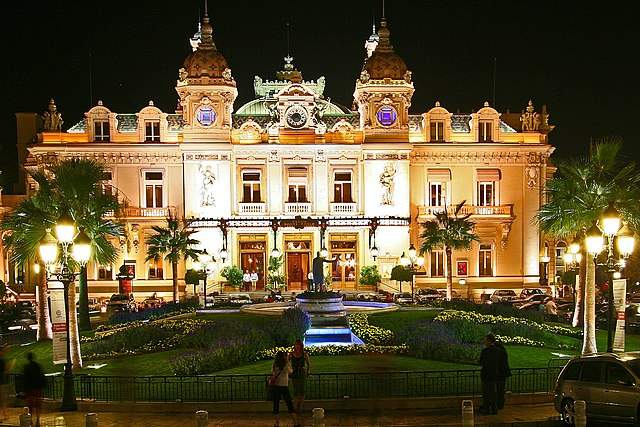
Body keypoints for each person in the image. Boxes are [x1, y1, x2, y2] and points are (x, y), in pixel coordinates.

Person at [270, 351, 299, 427]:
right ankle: (295, 422)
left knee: (276, 405)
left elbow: (272, 373)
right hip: (284, 386)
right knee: (289, 404)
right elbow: (291, 371)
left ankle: (277, 423)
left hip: (276, 386)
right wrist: (288, 361)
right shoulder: (286, 365)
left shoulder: (274, 364)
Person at [478, 333, 500, 415]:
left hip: (486, 375)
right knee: (493, 392)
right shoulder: (497, 351)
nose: (484, 341)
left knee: (486, 393)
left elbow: (481, 362)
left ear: (489, 341)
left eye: (486, 340)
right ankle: (494, 409)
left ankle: (486, 409)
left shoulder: (485, 351)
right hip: (494, 375)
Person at [23, 352, 45, 427]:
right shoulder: (38, 366)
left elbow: (25, 379)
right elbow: (42, 376)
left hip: (30, 390)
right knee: (38, 405)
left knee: (30, 406)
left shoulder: (26, 367)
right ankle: (38, 420)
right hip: (38, 388)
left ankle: (31, 420)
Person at [289, 339, 310, 414]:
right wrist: (289, 371)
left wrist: (307, 371)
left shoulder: (304, 354)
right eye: (296, 345)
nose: (297, 346)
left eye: (299, 345)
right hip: (294, 373)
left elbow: (308, 364)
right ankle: (295, 406)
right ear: (294, 346)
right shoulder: (291, 354)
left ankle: (300, 406)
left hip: (301, 373)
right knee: (295, 390)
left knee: (301, 390)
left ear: (301, 346)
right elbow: (287, 363)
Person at [494, 338, 511, 411]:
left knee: (499, 389)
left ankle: (499, 404)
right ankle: (500, 404)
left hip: (500, 374)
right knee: (500, 389)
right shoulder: (503, 351)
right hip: (502, 373)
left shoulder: (499, 352)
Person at [0, 345, 11, 422]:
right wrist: (9, 367)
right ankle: (5, 415)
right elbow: (6, 371)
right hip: (1, 383)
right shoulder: (2, 361)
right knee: (3, 400)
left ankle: (4, 415)